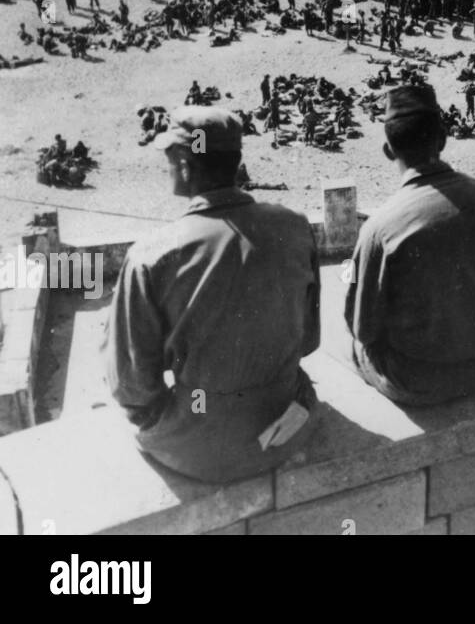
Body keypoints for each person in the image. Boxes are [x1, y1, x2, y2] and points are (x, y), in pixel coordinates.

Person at [103, 107, 320, 483]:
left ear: (186, 165)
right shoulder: (294, 227)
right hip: (286, 425)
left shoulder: (152, 256)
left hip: (199, 448)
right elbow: (309, 341)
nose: (167, 165)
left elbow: (132, 388)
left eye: (169, 157)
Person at [345, 84, 475, 405]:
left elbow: (363, 329)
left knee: (350, 342)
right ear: (443, 139)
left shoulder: (380, 227)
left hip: (414, 379)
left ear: (389, 150)